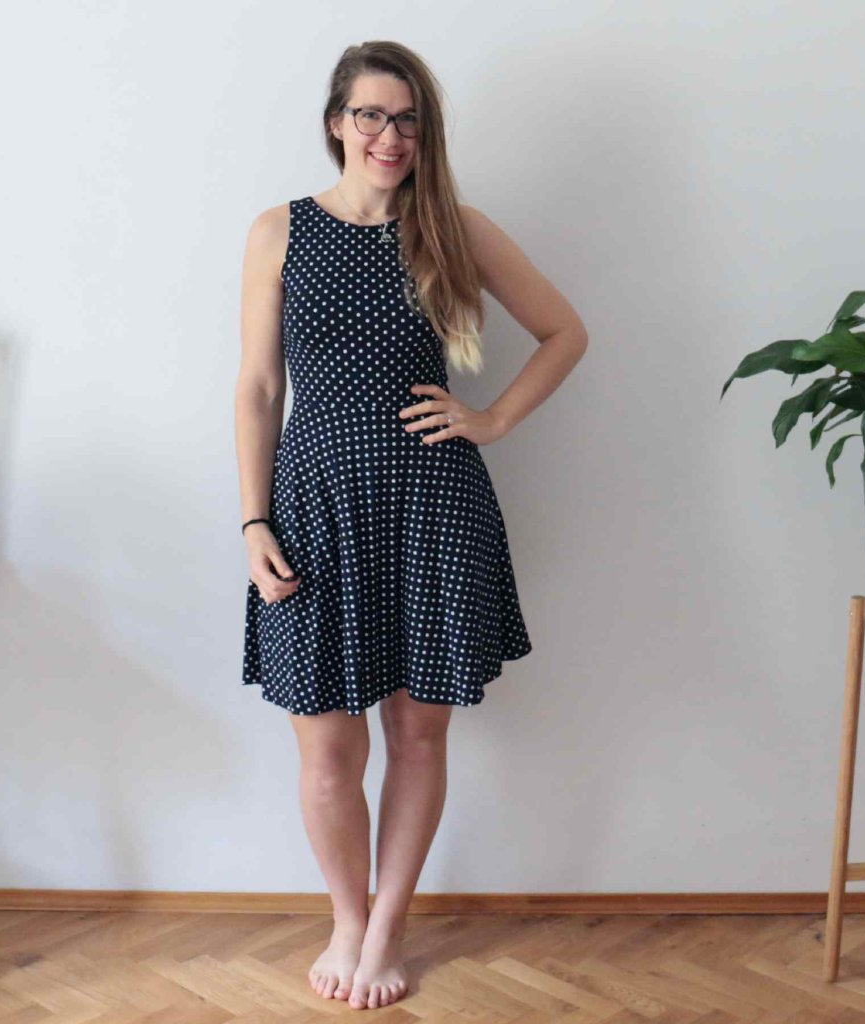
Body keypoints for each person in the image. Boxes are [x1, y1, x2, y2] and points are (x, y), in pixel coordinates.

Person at [234, 40, 588, 1012]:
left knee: (416, 734)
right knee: (325, 749)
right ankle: (346, 919)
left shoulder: (452, 229)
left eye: (408, 120)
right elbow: (258, 387)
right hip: (311, 508)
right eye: (371, 115)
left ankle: (386, 927)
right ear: (336, 122)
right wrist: (253, 517)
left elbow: (566, 332)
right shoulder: (278, 231)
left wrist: (492, 418)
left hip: (431, 502)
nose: (389, 136)